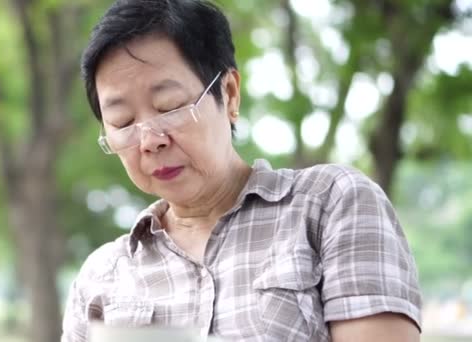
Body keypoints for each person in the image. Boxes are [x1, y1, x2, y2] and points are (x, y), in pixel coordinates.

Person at [61, 0, 422, 341]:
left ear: (229, 94)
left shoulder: (330, 204)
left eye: (169, 106)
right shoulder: (102, 275)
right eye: (123, 121)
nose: (150, 140)